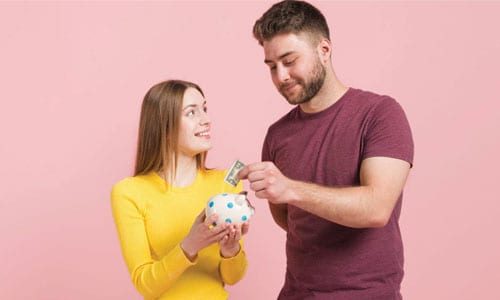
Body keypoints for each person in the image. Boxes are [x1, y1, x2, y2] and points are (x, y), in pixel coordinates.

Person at [239, 1, 414, 299]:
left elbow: (377, 207)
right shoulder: (277, 134)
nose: (281, 76)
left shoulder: (381, 114)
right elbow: (289, 219)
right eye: (272, 66)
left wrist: (291, 188)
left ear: (324, 50)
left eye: (290, 60)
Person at [111, 80, 249, 299]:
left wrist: (231, 250)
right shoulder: (129, 193)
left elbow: (232, 278)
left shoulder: (225, 183)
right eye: (192, 113)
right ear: (164, 127)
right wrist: (190, 245)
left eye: (204, 109)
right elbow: (145, 285)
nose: (207, 120)